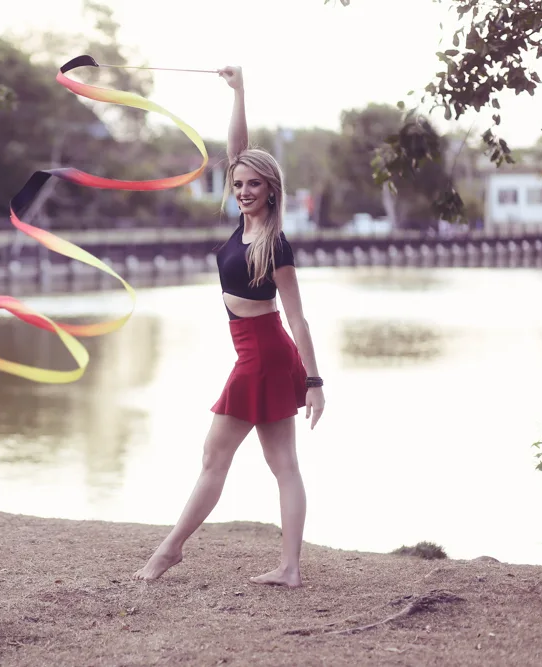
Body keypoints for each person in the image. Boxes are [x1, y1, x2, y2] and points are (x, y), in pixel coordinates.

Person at [133, 65, 325, 587]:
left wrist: (313, 381)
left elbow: (297, 317)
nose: (242, 190)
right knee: (281, 462)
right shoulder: (243, 225)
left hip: (264, 356)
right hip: (259, 353)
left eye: (252, 184)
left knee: (218, 457)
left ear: (270, 190)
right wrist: (239, 90)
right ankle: (288, 568)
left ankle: (170, 550)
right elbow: (238, 146)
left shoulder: (275, 243)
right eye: (238, 183)